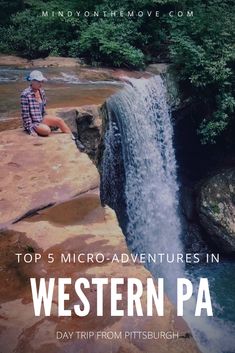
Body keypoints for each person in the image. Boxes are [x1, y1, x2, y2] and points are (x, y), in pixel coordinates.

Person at [20, 70, 73, 137]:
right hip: (33, 123)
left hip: (41, 118)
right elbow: (25, 115)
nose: (41, 84)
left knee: (59, 121)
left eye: (42, 81)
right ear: (32, 81)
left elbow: (43, 110)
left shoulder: (41, 91)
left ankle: (73, 138)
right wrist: (31, 130)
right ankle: (40, 127)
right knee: (46, 131)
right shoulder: (25, 94)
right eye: (38, 81)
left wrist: (48, 120)